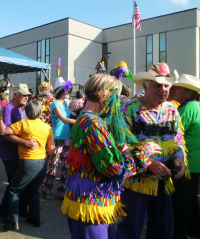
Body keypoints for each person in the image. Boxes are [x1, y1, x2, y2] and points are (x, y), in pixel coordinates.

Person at [61, 74, 156, 239]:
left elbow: (94, 157)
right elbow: (115, 170)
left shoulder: (83, 119)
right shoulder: (94, 124)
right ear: (103, 96)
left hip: (90, 201)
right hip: (91, 205)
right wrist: (145, 154)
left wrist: (119, 150)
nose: (117, 102)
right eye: (116, 97)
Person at [116, 63, 186, 239]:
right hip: (136, 183)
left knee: (162, 230)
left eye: (166, 85)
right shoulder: (128, 109)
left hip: (164, 181)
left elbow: (178, 139)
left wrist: (179, 157)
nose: (163, 90)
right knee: (129, 230)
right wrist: (147, 162)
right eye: (157, 85)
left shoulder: (172, 110)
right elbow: (119, 146)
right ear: (145, 87)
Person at [0, 101, 55, 231]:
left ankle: (13, 221)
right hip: (42, 161)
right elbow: (52, 147)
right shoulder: (46, 127)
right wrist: (48, 158)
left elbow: (4, 132)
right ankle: (35, 218)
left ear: (27, 112)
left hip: (28, 161)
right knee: (34, 190)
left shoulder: (23, 124)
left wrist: (0, 118)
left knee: (14, 190)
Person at [0, 83, 37, 222]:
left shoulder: (19, 109)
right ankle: (3, 211)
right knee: (15, 183)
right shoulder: (8, 109)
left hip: (16, 152)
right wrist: (25, 142)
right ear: (15, 95)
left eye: (27, 95)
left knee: (18, 183)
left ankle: (17, 209)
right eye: (23, 95)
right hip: (10, 153)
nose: (26, 97)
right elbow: (6, 134)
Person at [170, 74, 200, 239]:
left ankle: (179, 234)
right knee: (190, 202)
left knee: (181, 205)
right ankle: (194, 230)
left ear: (188, 92)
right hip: (193, 165)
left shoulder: (187, 109)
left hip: (185, 165)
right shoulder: (195, 106)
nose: (174, 90)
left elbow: (173, 134)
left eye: (178, 88)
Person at [42, 77, 76, 199]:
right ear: (60, 90)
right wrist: (82, 121)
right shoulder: (55, 104)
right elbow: (64, 119)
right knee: (53, 165)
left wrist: (84, 109)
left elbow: (70, 112)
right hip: (56, 138)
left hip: (67, 137)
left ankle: (61, 192)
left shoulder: (66, 103)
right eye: (67, 89)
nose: (69, 92)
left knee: (66, 166)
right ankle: (47, 190)